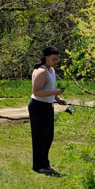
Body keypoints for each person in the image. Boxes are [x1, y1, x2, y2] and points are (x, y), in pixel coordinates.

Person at [30, 45, 66, 174]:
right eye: (53, 59)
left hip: (47, 106)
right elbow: (37, 92)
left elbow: (49, 89)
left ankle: (45, 163)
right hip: (38, 107)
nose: (56, 62)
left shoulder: (51, 70)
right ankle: (38, 166)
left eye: (57, 59)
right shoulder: (41, 71)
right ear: (46, 58)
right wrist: (55, 92)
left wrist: (58, 98)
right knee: (39, 137)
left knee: (48, 137)